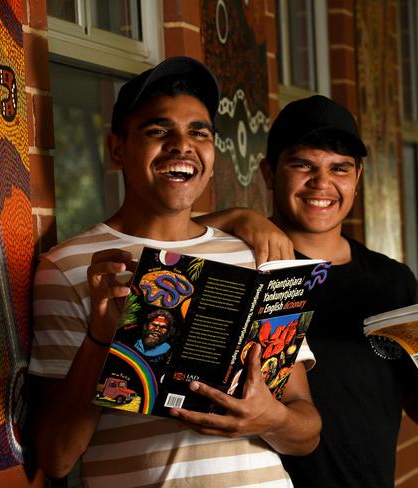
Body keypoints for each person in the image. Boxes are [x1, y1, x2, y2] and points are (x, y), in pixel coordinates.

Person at [28, 57, 321, 487]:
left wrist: (269, 418)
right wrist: (101, 340)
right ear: (117, 150)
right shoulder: (71, 266)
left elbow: (307, 431)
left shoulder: (255, 257)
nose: (182, 145)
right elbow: (55, 458)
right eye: (158, 131)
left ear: (212, 152)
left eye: (198, 132)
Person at [250, 95, 418, 487]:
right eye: (303, 165)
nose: (321, 182)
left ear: (357, 178)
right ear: (269, 173)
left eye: (339, 168)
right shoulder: (245, 267)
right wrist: (238, 218)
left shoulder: (391, 280)